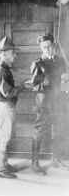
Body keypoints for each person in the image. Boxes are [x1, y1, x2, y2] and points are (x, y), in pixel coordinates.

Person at [26, 33, 69, 175]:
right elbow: (33, 86)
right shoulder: (37, 63)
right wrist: (43, 84)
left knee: (58, 132)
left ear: (53, 46)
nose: (47, 49)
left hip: (59, 103)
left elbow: (64, 82)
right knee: (39, 133)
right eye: (44, 47)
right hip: (44, 105)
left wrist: (65, 79)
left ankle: (55, 159)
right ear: (41, 48)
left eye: (49, 46)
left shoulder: (61, 61)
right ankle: (34, 163)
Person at [0, 36, 24, 179]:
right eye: (13, 52)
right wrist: (23, 87)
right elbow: (8, 92)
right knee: (4, 138)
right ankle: (1, 170)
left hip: (5, 106)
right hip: (4, 107)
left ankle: (4, 164)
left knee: (5, 137)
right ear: (4, 54)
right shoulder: (1, 71)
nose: (15, 55)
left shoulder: (3, 69)